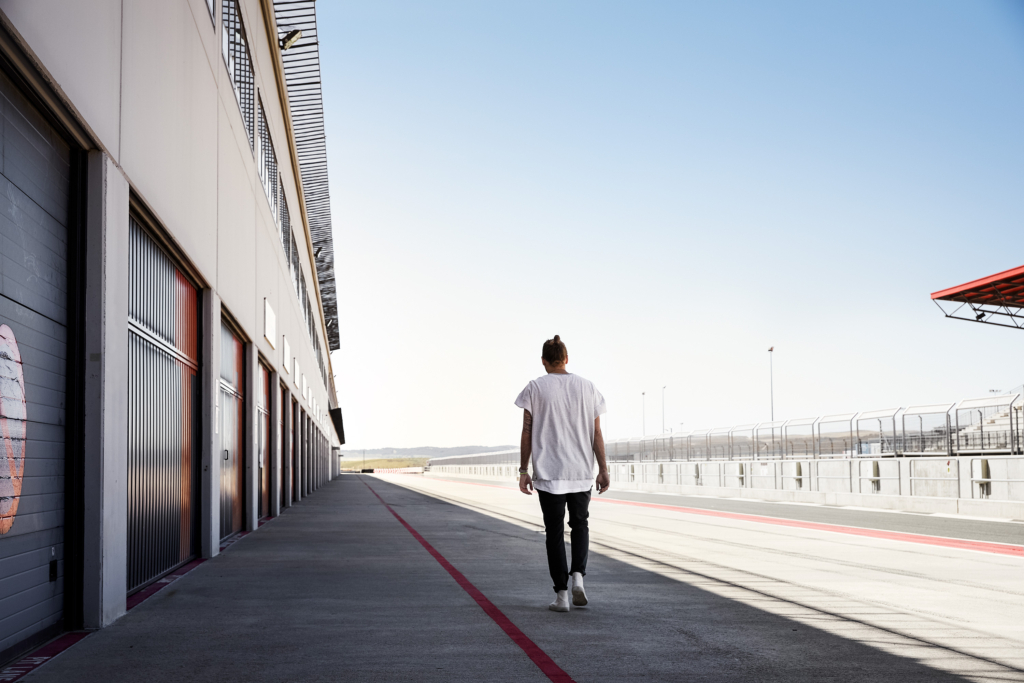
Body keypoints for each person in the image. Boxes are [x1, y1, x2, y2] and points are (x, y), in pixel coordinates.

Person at [515, 335, 609, 612]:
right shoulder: (588, 387)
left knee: (554, 533)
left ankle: (561, 596)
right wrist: (602, 469)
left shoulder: (534, 388)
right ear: (566, 359)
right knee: (580, 525)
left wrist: (523, 470)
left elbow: (527, 432)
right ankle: (578, 575)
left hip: (549, 472)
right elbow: (597, 433)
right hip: (580, 471)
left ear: (544, 361)